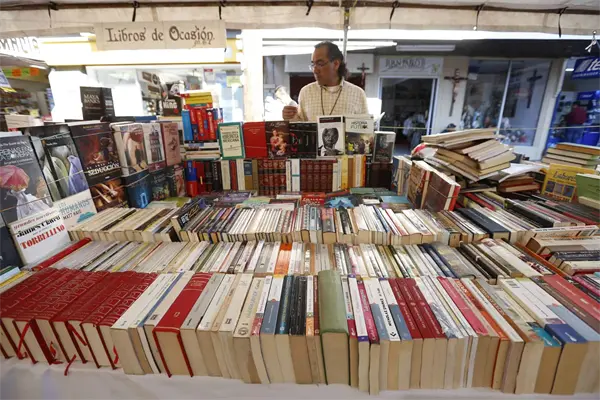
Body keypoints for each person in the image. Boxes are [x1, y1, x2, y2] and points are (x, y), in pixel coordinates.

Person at [282, 41, 369, 121]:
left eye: (320, 64)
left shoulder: (357, 94)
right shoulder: (306, 92)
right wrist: (290, 117)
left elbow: (365, 129)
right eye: (313, 64)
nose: (315, 70)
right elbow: (300, 126)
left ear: (336, 64)